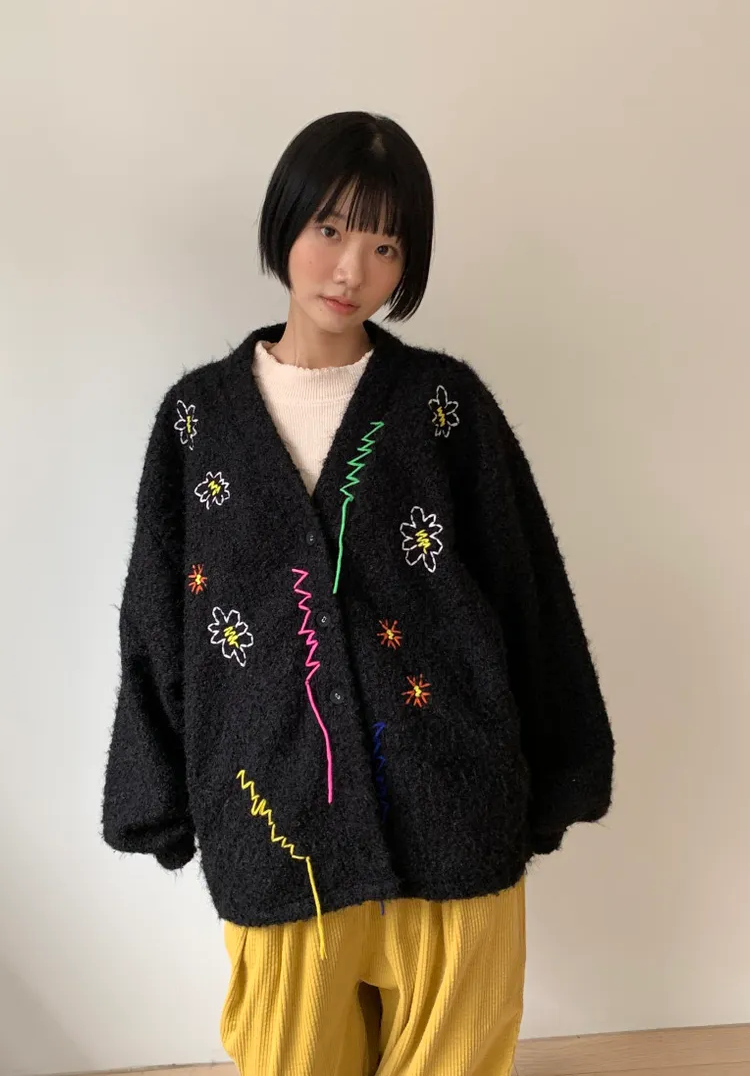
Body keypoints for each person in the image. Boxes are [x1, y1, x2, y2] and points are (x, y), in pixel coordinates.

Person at [102, 110, 614, 1076]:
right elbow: (158, 621)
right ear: (284, 222)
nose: (351, 270)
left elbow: (527, 593)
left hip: (452, 812)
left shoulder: (443, 406)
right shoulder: (198, 421)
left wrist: (561, 772)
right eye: (330, 229)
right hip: (275, 825)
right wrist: (155, 795)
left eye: (386, 245)